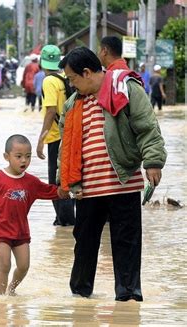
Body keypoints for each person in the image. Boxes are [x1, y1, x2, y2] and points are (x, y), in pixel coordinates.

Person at [58, 47, 167, 301]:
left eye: (73, 79)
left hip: (123, 182)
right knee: (84, 244)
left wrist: (153, 162)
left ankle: (128, 297)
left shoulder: (125, 88)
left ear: (87, 72)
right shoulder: (73, 103)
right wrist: (62, 180)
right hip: (86, 187)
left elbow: (147, 127)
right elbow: (66, 146)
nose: (72, 85)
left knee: (126, 243)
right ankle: (79, 297)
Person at [0, 134, 67, 296]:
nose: (24, 161)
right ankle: (1, 299)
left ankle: (12, 289)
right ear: (7, 157)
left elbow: (50, 191)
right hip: (0, 230)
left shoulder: (31, 182)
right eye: (18, 157)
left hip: (21, 231)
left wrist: (67, 191)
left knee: (24, 266)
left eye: (28, 156)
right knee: (5, 265)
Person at [36, 44, 75, 226]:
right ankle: (65, 220)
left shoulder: (49, 81)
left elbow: (51, 111)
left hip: (55, 137)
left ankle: (65, 221)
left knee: (56, 182)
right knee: (66, 177)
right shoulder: (64, 78)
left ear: (42, 63)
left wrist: (41, 139)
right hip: (68, 134)